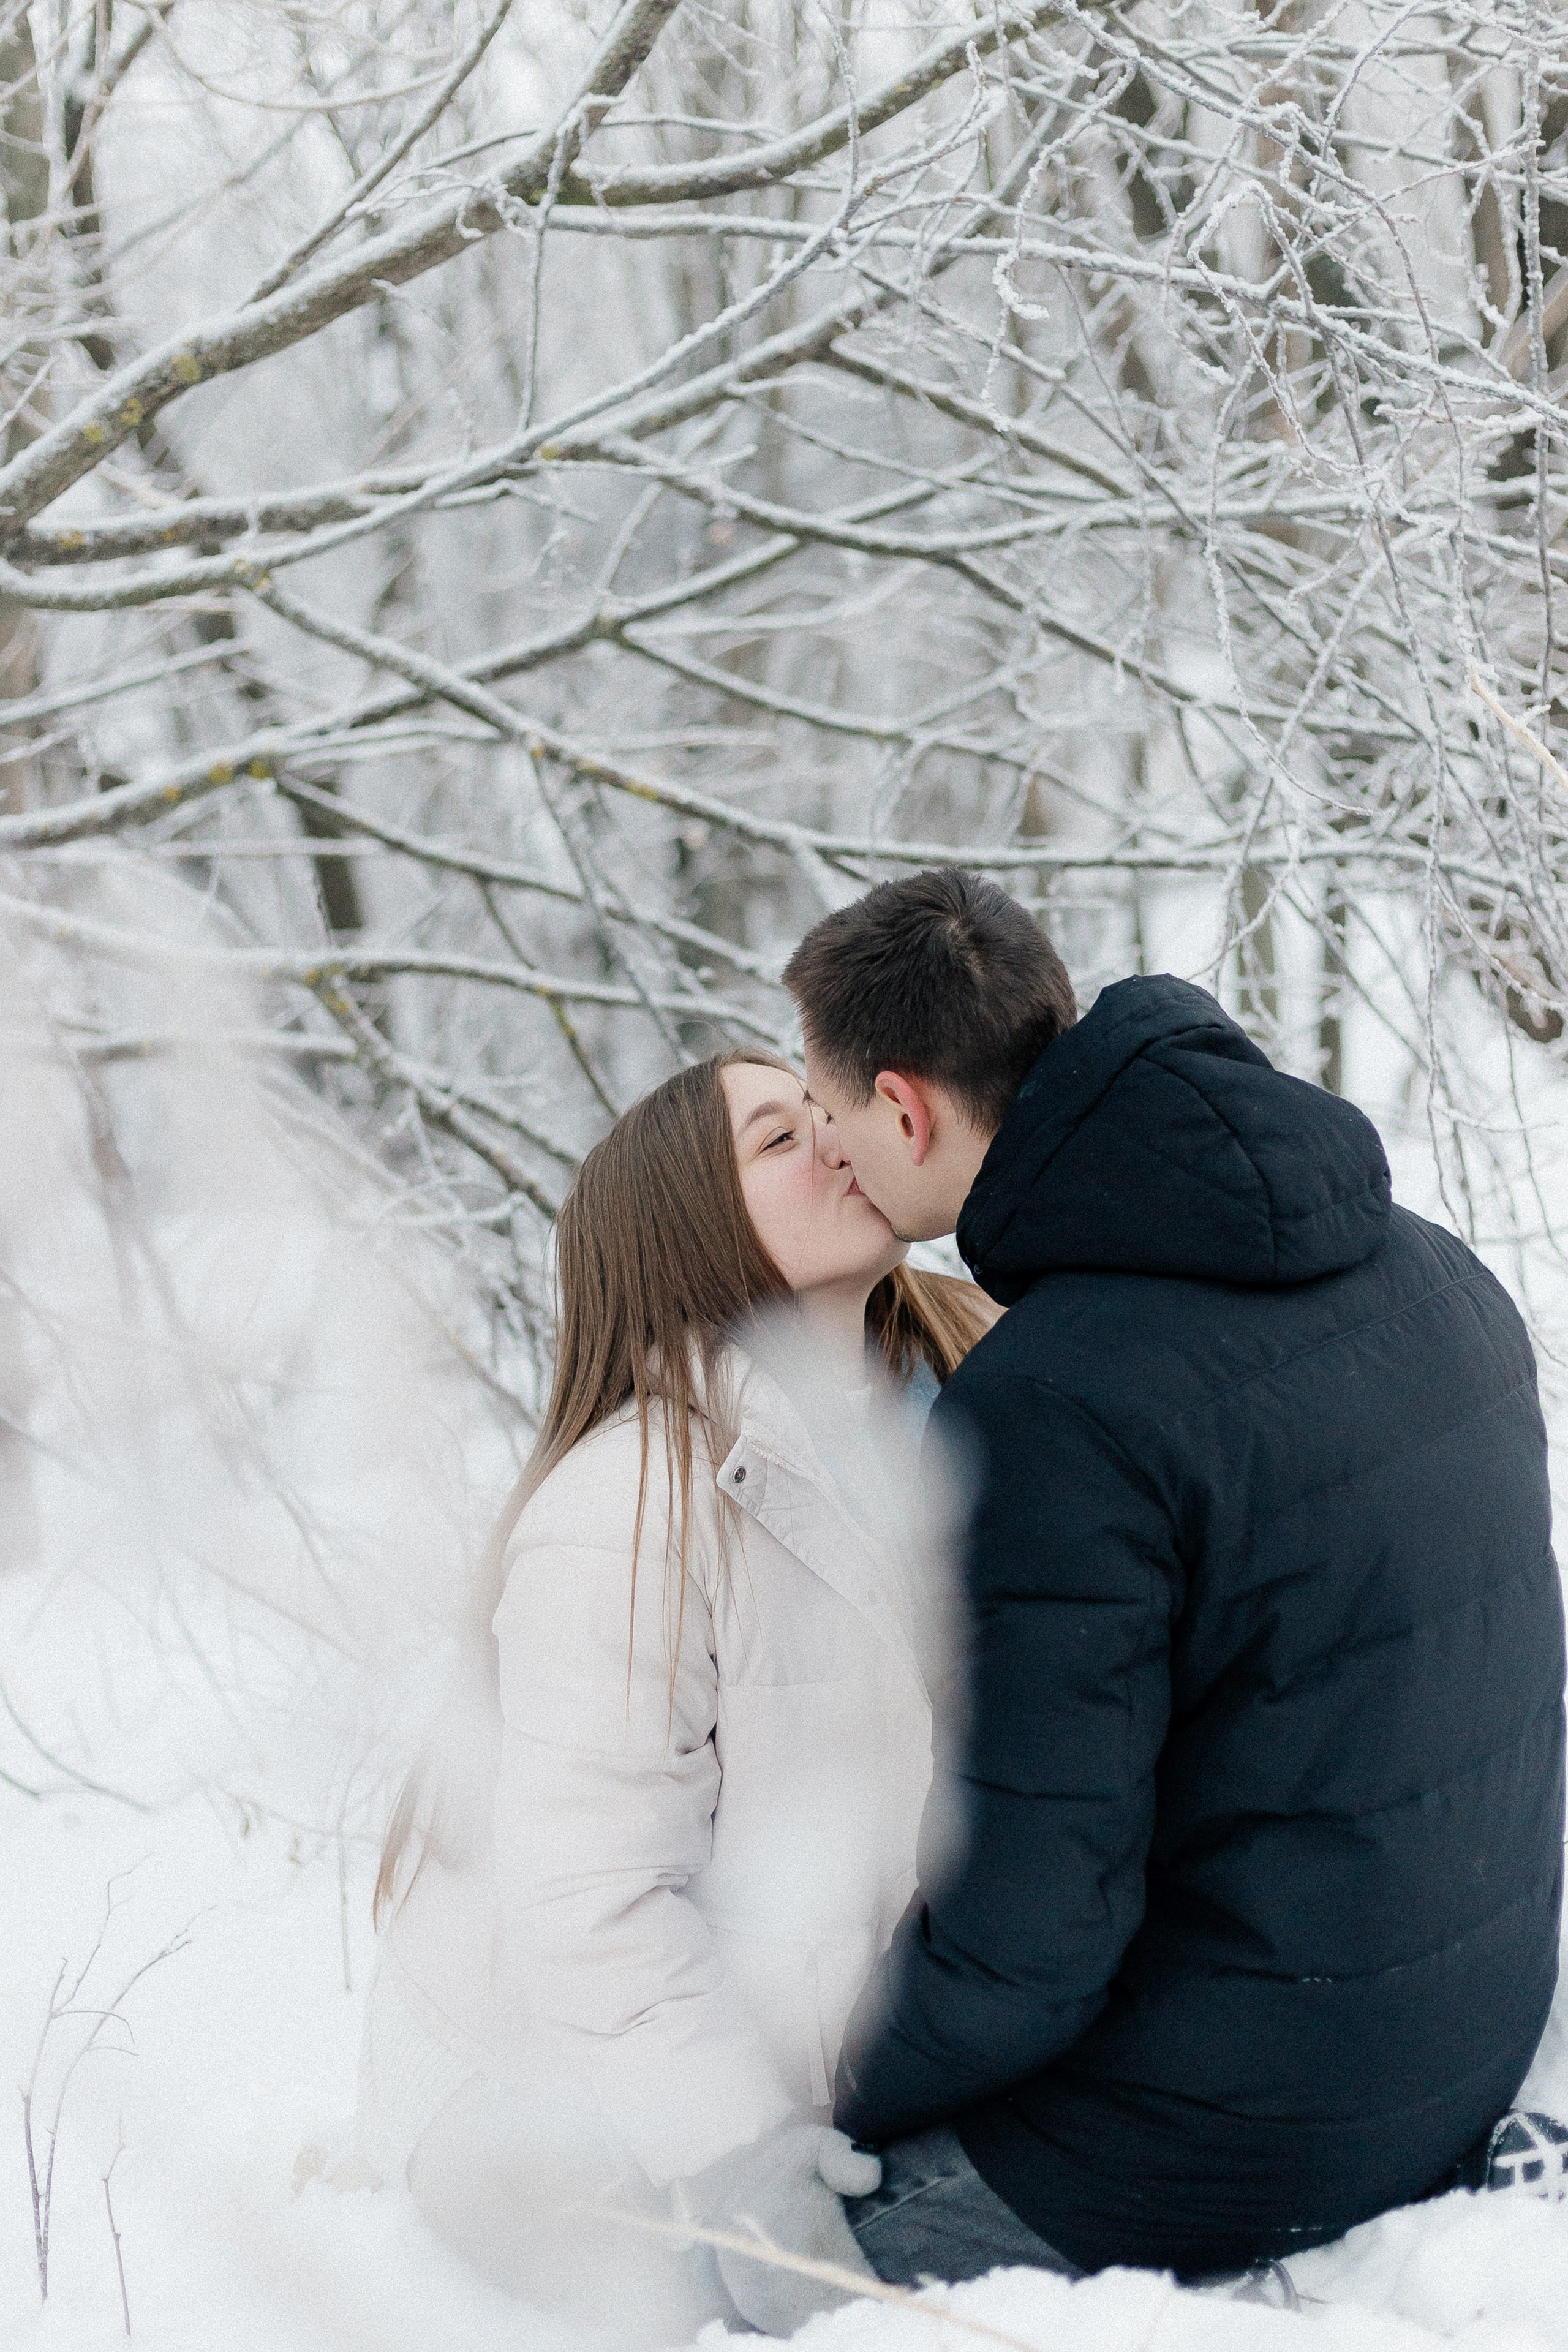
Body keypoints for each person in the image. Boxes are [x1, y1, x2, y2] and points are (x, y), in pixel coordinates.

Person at [779, 867, 1567, 2288]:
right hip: (1468, 2029)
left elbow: (1031, 1929)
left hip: (1251, 2122)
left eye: (829, 1121)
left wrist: (838, 2098)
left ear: (901, 1108)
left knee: (732, 2254)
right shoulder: (1433, 1270)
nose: (829, 1157)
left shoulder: (1050, 1406)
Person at [356, 1047, 998, 2341]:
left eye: (826, 1110)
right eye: (776, 1138)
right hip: (556, 2105)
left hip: (822, 2029)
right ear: (686, 1224)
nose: (834, 1138)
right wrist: (739, 2158)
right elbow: (591, 1899)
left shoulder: (969, 1385)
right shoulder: (628, 1504)